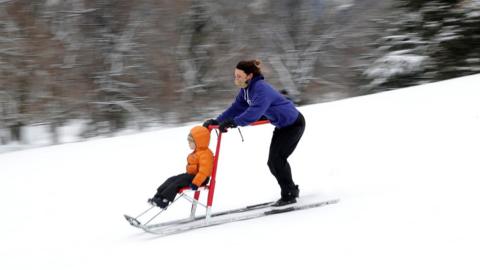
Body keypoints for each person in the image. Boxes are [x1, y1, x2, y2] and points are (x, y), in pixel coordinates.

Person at [203, 59, 306, 206]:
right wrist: (217, 121)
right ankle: (290, 191)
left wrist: (234, 122)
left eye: (239, 76)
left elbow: (254, 112)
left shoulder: (261, 89)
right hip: (282, 126)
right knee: (274, 162)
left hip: (293, 124)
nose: (236, 79)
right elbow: (235, 108)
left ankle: (289, 194)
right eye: (235, 75)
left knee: (277, 160)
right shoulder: (246, 90)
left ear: (249, 75)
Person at [149, 126, 214, 209]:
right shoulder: (198, 152)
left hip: (200, 179)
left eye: (190, 141)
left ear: (199, 142)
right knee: (172, 179)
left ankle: (164, 201)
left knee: (178, 182)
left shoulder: (205, 154)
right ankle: (158, 196)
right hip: (191, 176)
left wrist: (196, 183)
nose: (188, 143)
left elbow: (204, 171)